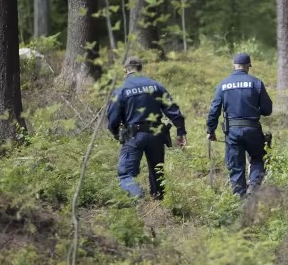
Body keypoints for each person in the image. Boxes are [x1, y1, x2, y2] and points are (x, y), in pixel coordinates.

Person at [107, 57, 187, 199]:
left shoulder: (122, 89)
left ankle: (137, 196)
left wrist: (115, 131)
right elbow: (173, 110)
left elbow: (113, 116)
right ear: (140, 68)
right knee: (158, 173)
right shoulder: (155, 85)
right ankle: (159, 204)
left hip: (133, 136)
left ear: (125, 69)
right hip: (156, 134)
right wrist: (181, 131)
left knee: (125, 173)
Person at [206, 53, 273, 196]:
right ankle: (254, 187)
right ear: (249, 65)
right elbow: (268, 110)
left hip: (232, 132)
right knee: (258, 157)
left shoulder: (223, 85)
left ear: (234, 65)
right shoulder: (256, 83)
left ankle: (240, 200)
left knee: (236, 166)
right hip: (253, 130)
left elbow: (214, 109)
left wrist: (210, 130)